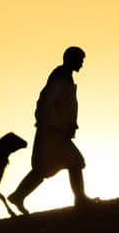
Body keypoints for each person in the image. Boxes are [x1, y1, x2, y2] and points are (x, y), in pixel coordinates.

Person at [8, 46, 93, 214]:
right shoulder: (60, 76)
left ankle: (18, 195)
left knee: (45, 168)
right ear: (71, 59)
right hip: (52, 133)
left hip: (55, 132)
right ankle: (80, 199)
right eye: (80, 60)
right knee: (73, 162)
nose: (82, 64)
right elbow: (46, 101)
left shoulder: (64, 77)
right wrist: (56, 126)